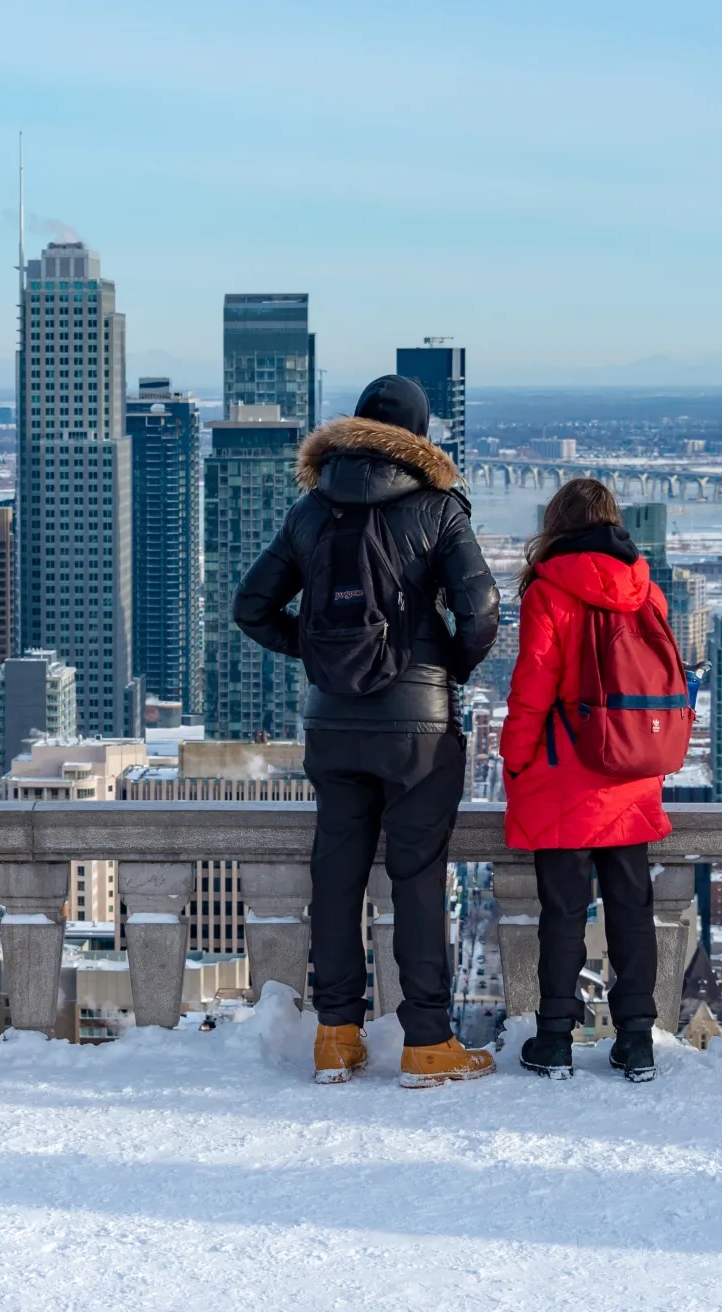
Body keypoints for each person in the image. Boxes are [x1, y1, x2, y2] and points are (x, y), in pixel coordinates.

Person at [234, 375, 500, 1087]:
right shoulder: (439, 508)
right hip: (418, 723)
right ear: (420, 440)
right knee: (416, 877)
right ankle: (426, 1044)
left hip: (331, 722)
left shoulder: (310, 510)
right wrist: (448, 667)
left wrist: (318, 652)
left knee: (336, 872)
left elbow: (251, 608)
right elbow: (479, 610)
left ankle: (336, 1037)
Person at [499, 478, 673, 1083]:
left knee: (563, 912)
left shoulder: (549, 592)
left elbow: (532, 689)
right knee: (632, 910)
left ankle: (553, 1041)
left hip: (563, 775)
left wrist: (515, 756)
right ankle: (637, 1041)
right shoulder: (646, 589)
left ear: (557, 523)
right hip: (629, 770)